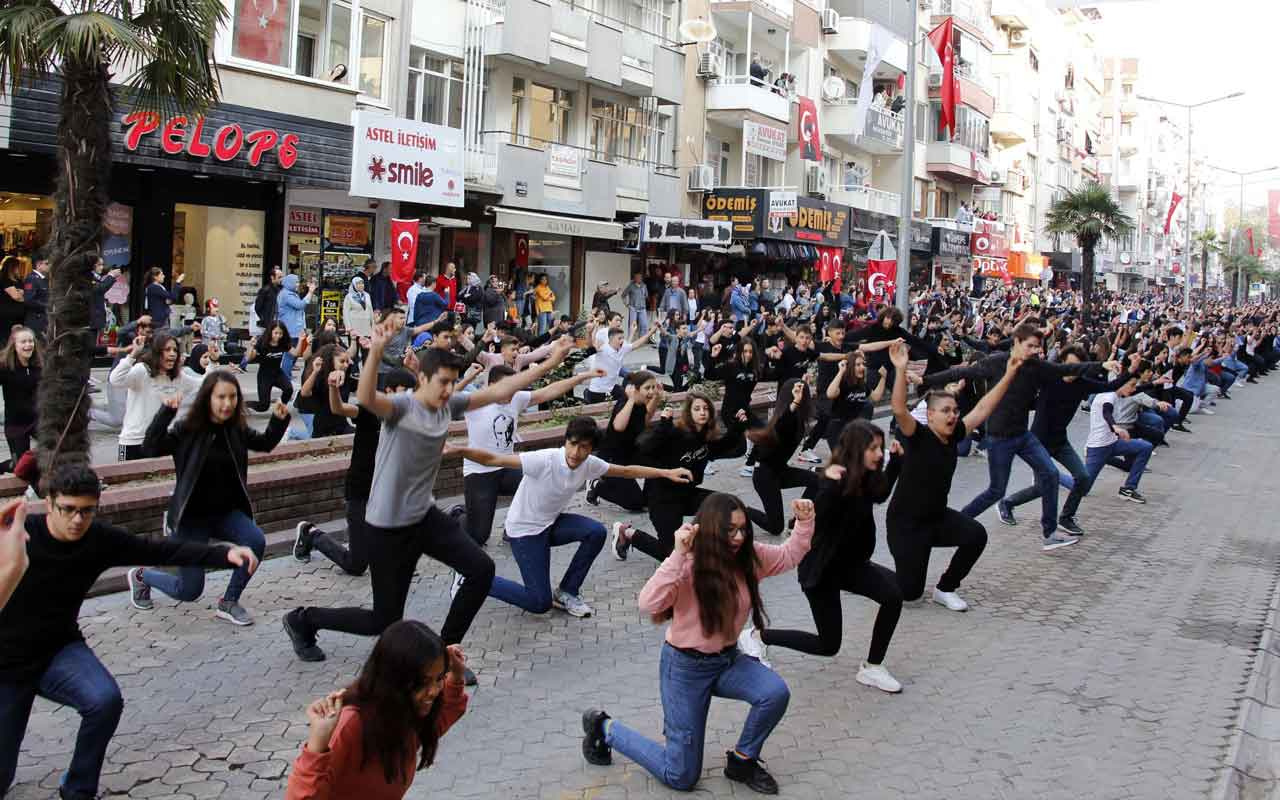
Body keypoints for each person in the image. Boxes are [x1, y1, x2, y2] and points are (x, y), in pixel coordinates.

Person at [281, 329, 574, 680]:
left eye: (453, 382)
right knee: (383, 620)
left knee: (481, 570)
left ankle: (443, 654)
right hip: (387, 528)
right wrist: (375, 351)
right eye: (443, 382)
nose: (450, 389)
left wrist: (553, 360)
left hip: (425, 516)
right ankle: (303, 619)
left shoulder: (449, 406)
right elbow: (366, 397)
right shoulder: (401, 408)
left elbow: (501, 389)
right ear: (422, 379)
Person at [0, 464, 257, 800]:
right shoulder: (20, 535)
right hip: (7, 665)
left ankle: (78, 789)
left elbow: (158, 550)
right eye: (68, 509)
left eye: (87, 511)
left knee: (105, 700)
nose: (78, 520)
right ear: (49, 503)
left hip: (58, 651)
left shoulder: (98, 539)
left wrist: (223, 553)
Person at [581, 493, 815, 795]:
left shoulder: (748, 557)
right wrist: (678, 554)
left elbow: (787, 556)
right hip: (684, 669)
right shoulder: (689, 563)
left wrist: (805, 522)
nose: (739, 537)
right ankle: (604, 728)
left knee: (774, 693)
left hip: (728, 661)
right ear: (710, 529)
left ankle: (742, 762)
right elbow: (648, 602)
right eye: (729, 530)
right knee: (680, 776)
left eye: (743, 529)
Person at [449, 417, 693, 618]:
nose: (576, 452)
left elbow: (627, 471)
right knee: (538, 603)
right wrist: (460, 450)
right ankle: (471, 579)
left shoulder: (589, 464)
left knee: (595, 532)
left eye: (584, 447)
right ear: (565, 441)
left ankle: (566, 592)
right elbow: (494, 459)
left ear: (591, 449)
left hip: (550, 524)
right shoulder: (544, 460)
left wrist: (667, 473)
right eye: (573, 444)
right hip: (524, 533)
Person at [742, 420, 905, 693]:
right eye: (874, 448)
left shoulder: (866, 476)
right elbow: (810, 519)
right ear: (855, 450)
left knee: (892, 596)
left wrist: (896, 462)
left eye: (881, 448)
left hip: (851, 565)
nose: (880, 454)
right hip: (821, 570)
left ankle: (872, 668)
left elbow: (879, 495)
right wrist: (826, 487)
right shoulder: (834, 483)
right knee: (828, 645)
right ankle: (757, 636)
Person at [126, 372, 290, 625]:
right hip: (191, 519)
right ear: (207, 399)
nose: (227, 404)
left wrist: (279, 421)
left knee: (254, 540)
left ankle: (229, 602)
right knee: (188, 591)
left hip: (225, 514)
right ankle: (142, 576)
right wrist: (166, 412)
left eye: (233, 397)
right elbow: (151, 447)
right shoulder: (187, 430)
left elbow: (266, 443)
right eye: (221, 397)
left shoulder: (236, 430)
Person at [919, 322, 1102, 548]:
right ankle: (955, 523)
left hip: (1024, 436)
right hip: (1000, 437)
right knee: (996, 490)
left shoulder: (1035, 366)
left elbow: (1065, 369)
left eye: (1038, 346)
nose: (1036, 350)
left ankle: (1050, 533)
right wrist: (925, 380)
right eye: (1032, 346)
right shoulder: (996, 362)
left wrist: (1103, 364)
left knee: (1051, 474)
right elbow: (962, 371)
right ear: (1016, 343)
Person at [885, 339, 1023, 615]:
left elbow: (983, 408)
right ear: (931, 414)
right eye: (945, 411)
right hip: (906, 526)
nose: (952, 416)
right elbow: (900, 409)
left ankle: (946, 588)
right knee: (909, 593)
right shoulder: (917, 436)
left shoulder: (956, 433)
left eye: (955, 411)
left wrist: (1009, 373)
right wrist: (900, 369)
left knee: (976, 535)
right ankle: (860, 571)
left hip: (936, 519)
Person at [284, 621, 470, 800]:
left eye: (439, 678)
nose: (434, 691)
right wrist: (317, 744)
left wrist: (456, 675)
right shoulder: (352, 724)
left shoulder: (407, 709)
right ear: (395, 678)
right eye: (423, 682)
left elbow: (440, 720)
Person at [611, 390, 767, 563]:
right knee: (671, 556)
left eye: (706, 409)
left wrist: (738, 426)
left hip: (688, 494)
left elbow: (725, 446)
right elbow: (644, 447)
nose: (702, 412)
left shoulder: (705, 438)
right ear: (689, 413)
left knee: (727, 504)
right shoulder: (675, 434)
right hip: (662, 499)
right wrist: (663, 425)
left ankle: (721, 550)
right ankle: (627, 533)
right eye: (697, 409)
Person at [293, 367, 419, 579]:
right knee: (357, 565)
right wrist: (333, 387)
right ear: (388, 390)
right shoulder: (370, 411)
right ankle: (311, 534)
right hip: (360, 490)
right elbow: (339, 408)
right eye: (403, 390)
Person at [458, 364, 601, 545]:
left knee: (541, 482)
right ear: (492, 386)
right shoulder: (474, 402)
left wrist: (582, 377)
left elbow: (549, 391)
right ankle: (459, 514)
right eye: (507, 389)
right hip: (479, 472)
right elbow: (441, 399)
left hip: (507, 467)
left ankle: (514, 528)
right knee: (478, 536)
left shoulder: (515, 398)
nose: (511, 395)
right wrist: (467, 379)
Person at [997, 347, 1130, 534]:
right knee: (1043, 486)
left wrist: (1131, 371)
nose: (1071, 370)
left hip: (1060, 442)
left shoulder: (1082, 384)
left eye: (1076, 366)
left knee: (1083, 478)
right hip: (1038, 443)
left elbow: (1110, 387)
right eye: (1068, 365)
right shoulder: (1049, 378)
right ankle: (1007, 502)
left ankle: (1066, 518)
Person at [1060, 378, 1157, 517]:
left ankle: (1128, 488)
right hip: (1098, 448)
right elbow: (1107, 411)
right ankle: (1052, 475)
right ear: (1121, 384)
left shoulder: (1115, 392)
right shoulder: (1108, 396)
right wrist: (1115, 426)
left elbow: (1135, 390)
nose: (1134, 389)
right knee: (1083, 488)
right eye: (1132, 385)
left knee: (1145, 447)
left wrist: (1155, 382)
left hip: (1113, 443)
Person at [747, 378, 820, 536]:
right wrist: (794, 404)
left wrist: (805, 383)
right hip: (765, 477)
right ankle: (743, 510)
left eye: (803, 395)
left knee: (817, 481)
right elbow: (782, 426)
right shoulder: (782, 420)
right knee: (776, 528)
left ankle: (797, 521)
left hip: (780, 472)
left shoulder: (799, 419)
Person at [108, 331, 191, 461]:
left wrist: (213, 362)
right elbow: (115, 379)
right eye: (167, 349)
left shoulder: (178, 377)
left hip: (158, 441)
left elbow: (202, 384)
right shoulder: (142, 370)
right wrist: (133, 354)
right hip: (133, 442)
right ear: (157, 352)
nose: (172, 353)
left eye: (175, 350)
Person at [586, 370, 662, 512]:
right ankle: (598, 486)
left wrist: (656, 398)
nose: (651, 391)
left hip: (630, 453)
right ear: (636, 390)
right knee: (635, 504)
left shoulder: (641, 403)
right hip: (612, 458)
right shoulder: (626, 402)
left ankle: (648, 498)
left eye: (653, 387)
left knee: (657, 462)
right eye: (647, 388)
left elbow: (644, 420)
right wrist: (631, 399)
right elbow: (619, 427)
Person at [0, 327, 40, 474]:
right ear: (14, 345)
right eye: (23, 342)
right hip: (16, 424)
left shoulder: (39, 365)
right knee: (20, 467)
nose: (28, 345)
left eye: (30, 341)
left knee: (58, 449)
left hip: (38, 421)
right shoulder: (5, 367)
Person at [585, 323, 656, 404]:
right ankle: (587, 395)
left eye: (623, 338)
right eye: (619, 338)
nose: (622, 340)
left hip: (612, 388)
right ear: (611, 338)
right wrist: (589, 333)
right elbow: (590, 346)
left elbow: (637, 343)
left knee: (628, 399)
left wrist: (651, 332)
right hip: (597, 391)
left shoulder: (623, 348)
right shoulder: (602, 348)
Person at [246, 322, 307, 413]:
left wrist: (301, 340)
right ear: (270, 332)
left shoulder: (283, 343)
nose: (278, 336)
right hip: (264, 376)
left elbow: (296, 353)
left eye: (280, 333)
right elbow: (249, 358)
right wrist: (251, 346)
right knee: (263, 406)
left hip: (277, 373)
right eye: (276, 333)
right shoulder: (262, 343)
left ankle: (281, 407)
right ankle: (245, 404)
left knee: (288, 389)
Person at [277, 273, 317, 376]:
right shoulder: (286, 294)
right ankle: (285, 375)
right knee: (290, 354)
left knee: (295, 353)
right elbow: (300, 305)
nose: (297, 284)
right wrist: (310, 292)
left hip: (295, 329)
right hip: (289, 329)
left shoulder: (291, 293)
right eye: (296, 282)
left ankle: (287, 373)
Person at [21, 253, 49, 337]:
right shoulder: (32, 278)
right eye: (47, 263)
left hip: (43, 320)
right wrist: (48, 306)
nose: (49, 266)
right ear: (39, 265)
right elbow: (29, 300)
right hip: (36, 320)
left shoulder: (42, 279)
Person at [0, 256, 26, 336]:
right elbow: (16, 297)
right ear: (12, 268)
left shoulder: (18, 280)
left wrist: (21, 293)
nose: (19, 269)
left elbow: (23, 293)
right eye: (17, 267)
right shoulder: (5, 279)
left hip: (19, 315)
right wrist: (21, 294)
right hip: (8, 315)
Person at [253, 267, 284, 332]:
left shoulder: (281, 290)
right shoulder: (265, 290)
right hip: (268, 324)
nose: (281, 279)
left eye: (282, 277)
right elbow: (257, 308)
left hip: (278, 323)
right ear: (272, 277)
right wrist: (265, 320)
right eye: (279, 277)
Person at [623, 272, 650, 337]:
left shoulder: (644, 286)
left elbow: (646, 295)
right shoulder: (631, 286)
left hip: (642, 308)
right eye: (637, 277)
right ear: (634, 278)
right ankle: (630, 340)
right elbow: (623, 295)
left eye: (640, 277)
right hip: (633, 308)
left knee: (644, 325)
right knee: (633, 324)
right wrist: (626, 304)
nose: (639, 279)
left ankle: (642, 339)